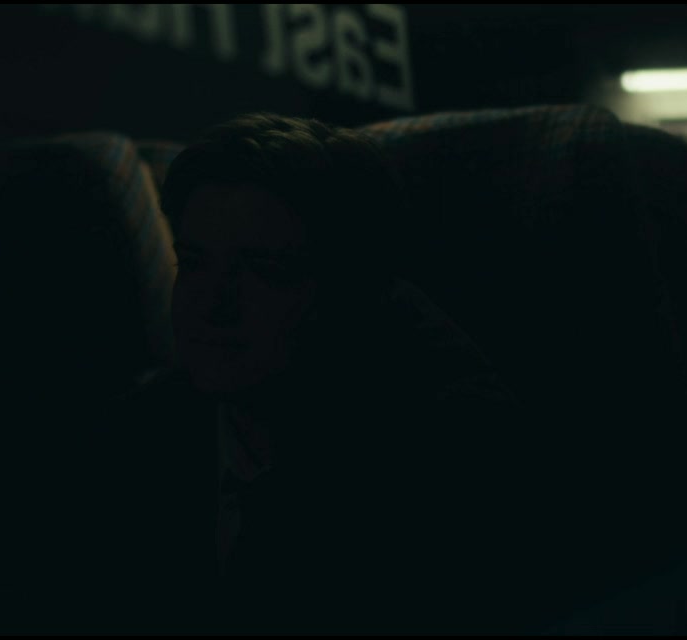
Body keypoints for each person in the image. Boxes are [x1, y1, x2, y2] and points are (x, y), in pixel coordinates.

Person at [121, 113, 557, 634]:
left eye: (265, 270)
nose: (212, 305)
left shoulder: (448, 456)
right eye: (193, 263)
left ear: (348, 291)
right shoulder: (153, 426)